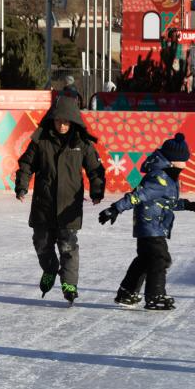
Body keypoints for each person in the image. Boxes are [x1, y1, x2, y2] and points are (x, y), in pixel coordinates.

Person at [14, 96, 105, 305]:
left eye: (66, 122)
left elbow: (95, 169)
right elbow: (26, 164)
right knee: (41, 242)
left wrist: (97, 191)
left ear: (73, 121)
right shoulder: (41, 140)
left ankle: (69, 284)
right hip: (44, 204)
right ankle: (49, 268)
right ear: (52, 120)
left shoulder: (81, 143)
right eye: (58, 121)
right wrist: (22, 186)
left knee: (68, 246)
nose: (62, 125)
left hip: (68, 206)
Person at [98, 133, 193, 310]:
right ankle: (155, 296)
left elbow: (166, 202)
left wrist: (188, 205)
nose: (186, 163)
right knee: (159, 258)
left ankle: (127, 293)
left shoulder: (167, 177)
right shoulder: (159, 177)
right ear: (173, 160)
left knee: (145, 259)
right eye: (184, 159)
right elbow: (137, 196)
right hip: (151, 225)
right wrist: (115, 208)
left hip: (152, 225)